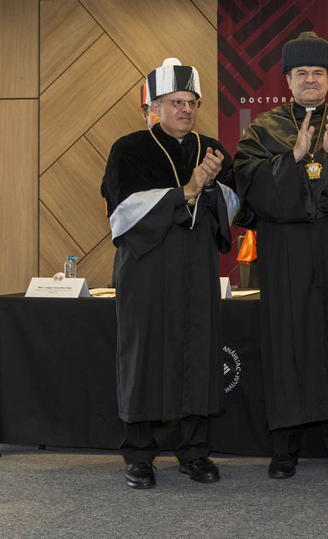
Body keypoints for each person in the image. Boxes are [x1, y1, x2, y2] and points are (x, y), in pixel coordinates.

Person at [233, 31, 328, 480]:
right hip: (286, 252)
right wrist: (293, 157)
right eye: (300, 73)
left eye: (317, 73)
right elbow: (245, 185)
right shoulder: (265, 127)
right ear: (287, 79)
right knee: (288, 342)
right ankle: (285, 448)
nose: (309, 80)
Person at [102, 58, 239, 489]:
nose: (185, 110)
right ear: (154, 106)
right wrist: (188, 190)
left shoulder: (213, 149)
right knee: (143, 356)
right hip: (147, 271)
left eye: (192, 102)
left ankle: (195, 452)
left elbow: (236, 209)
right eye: (176, 102)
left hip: (197, 272)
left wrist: (213, 188)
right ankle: (139, 455)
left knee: (199, 355)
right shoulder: (130, 149)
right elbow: (123, 215)